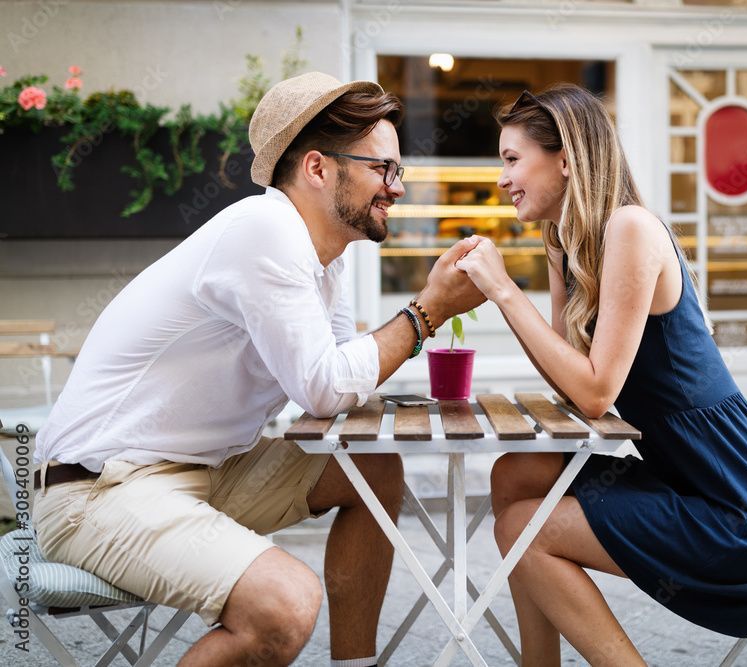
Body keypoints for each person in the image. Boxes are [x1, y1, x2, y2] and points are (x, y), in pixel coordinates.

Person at [32, 72, 484, 667]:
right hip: (99, 490)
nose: (396, 188)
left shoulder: (325, 258)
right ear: (318, 168)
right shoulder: (264, 230)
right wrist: (428, 311)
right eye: (383, 169)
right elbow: (325, 388)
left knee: (371, 468)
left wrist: (411, 325)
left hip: (204, 472)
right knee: (284, 605)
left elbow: (333, 381)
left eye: (397, 170)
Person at [455, 84, 747, 666]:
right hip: (688, 482)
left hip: (745, 515)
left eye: (512, 159)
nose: (503, 178)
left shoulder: (632, 228)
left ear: (566, 158)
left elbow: (595, 394)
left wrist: (502, 291)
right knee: (515, 473)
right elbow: (568, 381)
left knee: (525, 527)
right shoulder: (567, 242)